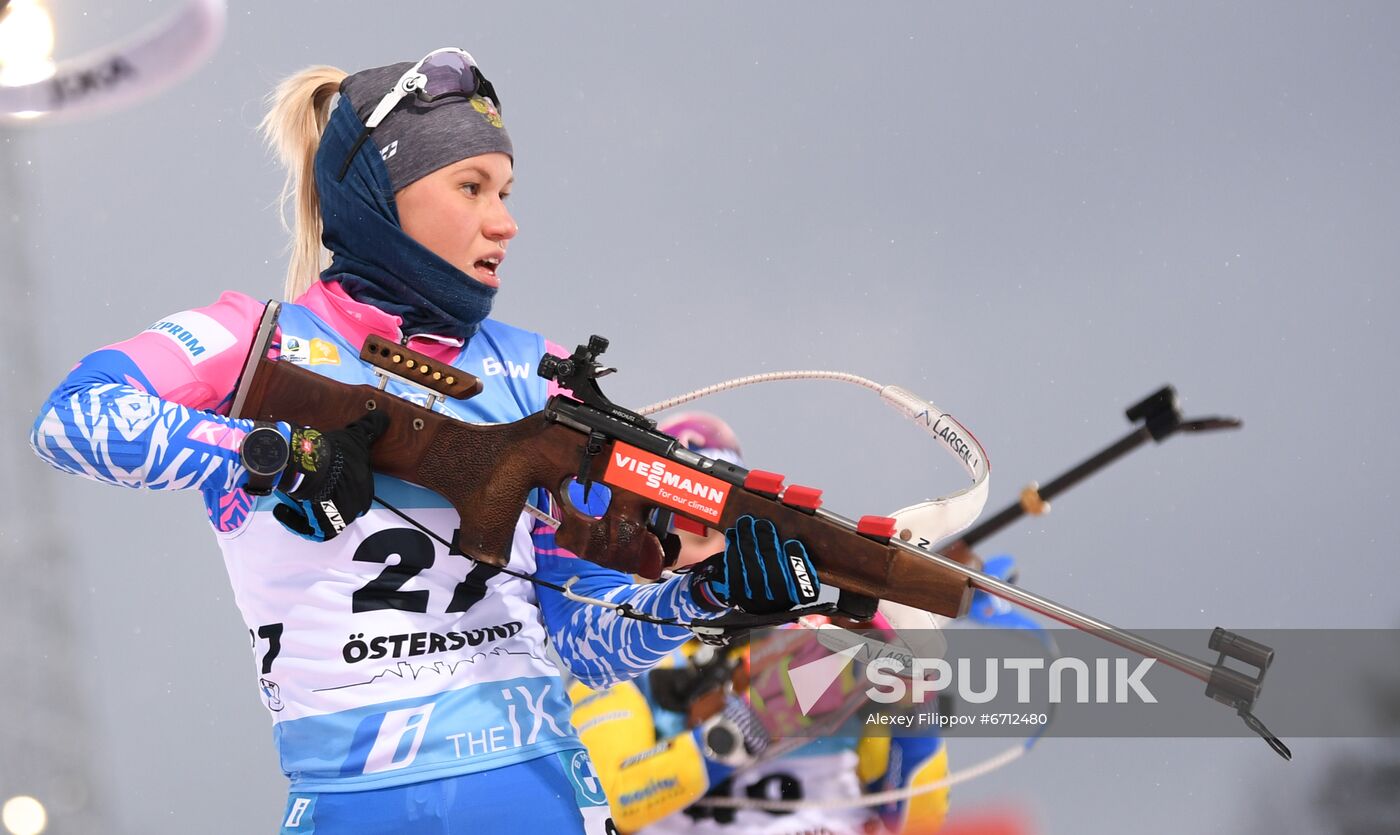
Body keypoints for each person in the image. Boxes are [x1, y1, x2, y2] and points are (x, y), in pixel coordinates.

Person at [29, 48, 823, 834]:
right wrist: (273, 452)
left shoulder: (532, 374)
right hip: (349, 801)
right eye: (471, 187)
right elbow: (73, 417)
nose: (504, 221)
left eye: (506, 191)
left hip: (534, 792)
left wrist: (705, 595)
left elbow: (579, 640)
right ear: (383, 195)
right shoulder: (253, 341)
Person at [570, 412, 952, 835]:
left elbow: (919, 818)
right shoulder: (612, 660)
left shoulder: (818, 636)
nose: (708, 556)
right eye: (687, 534)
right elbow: (616, 800)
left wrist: (913, 703)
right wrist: (748, 725)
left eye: (718, 531)